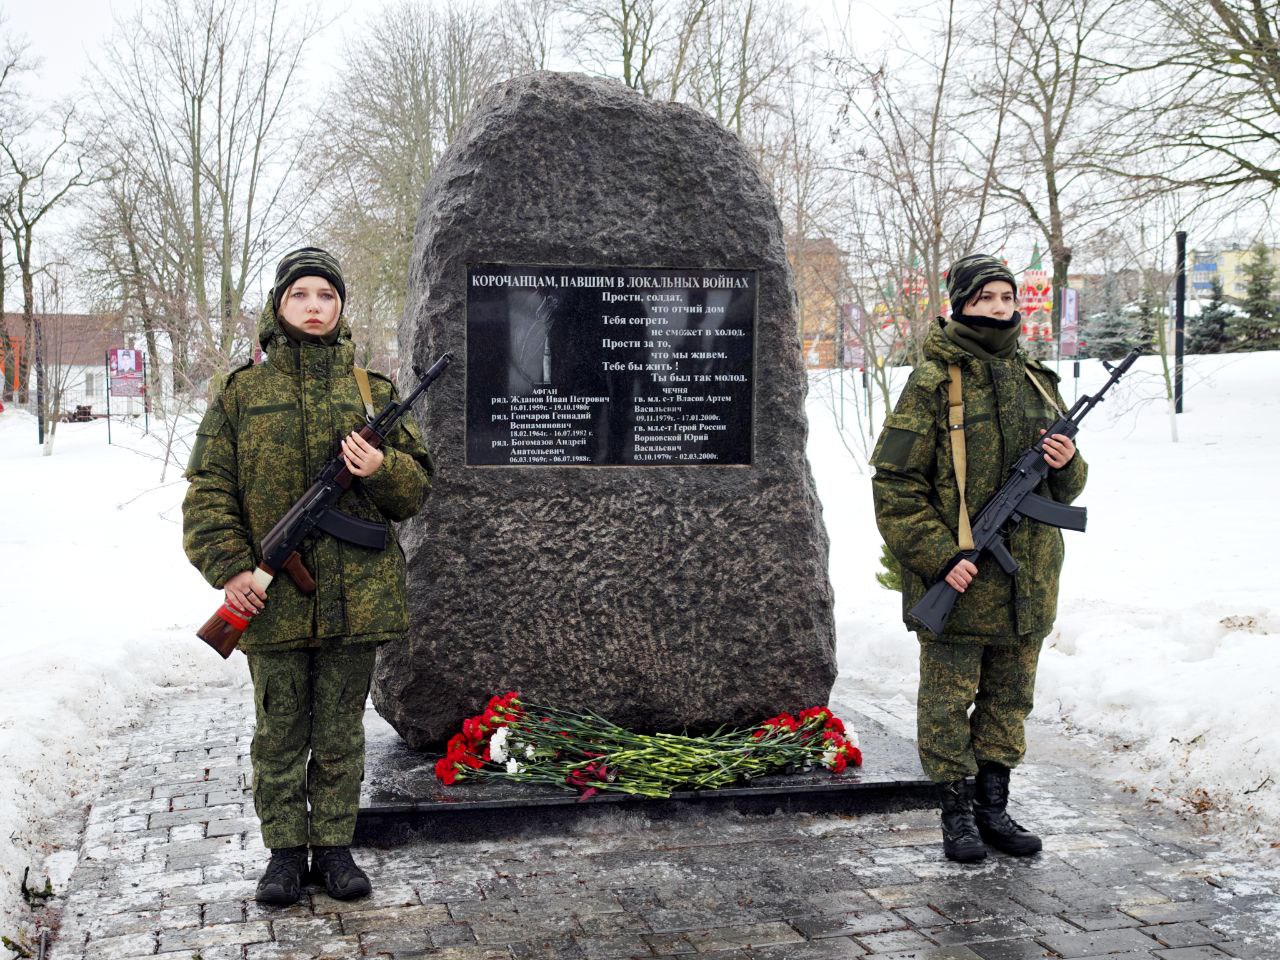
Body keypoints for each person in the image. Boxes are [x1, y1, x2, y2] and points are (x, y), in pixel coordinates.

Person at [182, 247, 433, 904]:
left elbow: (415, 493)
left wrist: (380, 468)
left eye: (327, 295)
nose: (315, 306)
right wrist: (235, 569)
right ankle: (286, 854)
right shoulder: (242, 392)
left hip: (358, 598)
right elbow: (207, 489)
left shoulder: (372, 392)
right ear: (279, 304)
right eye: (302, 295)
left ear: (342, 307)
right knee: (280, 732)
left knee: (340, 731)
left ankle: (337, 849)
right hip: (271, 603)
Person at [871, 253, 1086, 863]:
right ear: (960, 303)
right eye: (985, 297)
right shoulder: (933, 382)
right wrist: (942, 557)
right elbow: (896, 486)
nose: (999, 308)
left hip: (1027, 583)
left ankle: (995, 808)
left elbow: (1064, 493)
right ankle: (957, 815)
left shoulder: (1037, 379)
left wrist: (1067, 463)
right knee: (947, 703)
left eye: (1006, 297)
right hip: (960, 581)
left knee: (1009, 702)